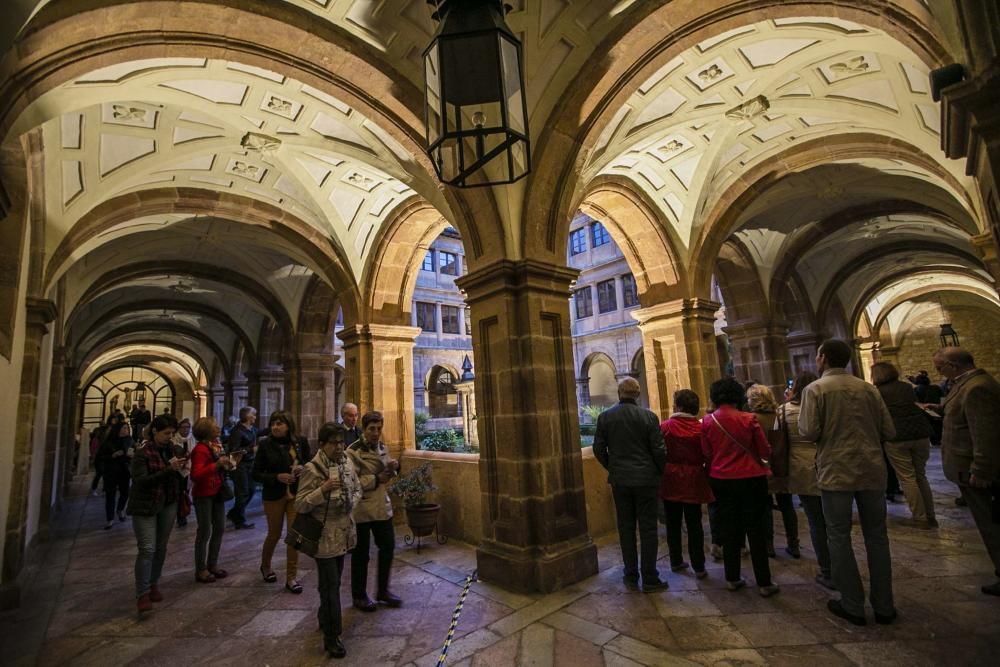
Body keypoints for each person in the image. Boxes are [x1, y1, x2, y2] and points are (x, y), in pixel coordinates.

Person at [799, 339, 896, 626]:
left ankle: (852, 603)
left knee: (838, 536)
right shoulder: (868, 389)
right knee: (877, 537)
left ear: (823, 358)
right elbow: (888, 430)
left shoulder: (815, 389)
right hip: (872, 469)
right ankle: (885, 605)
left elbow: (808, 431)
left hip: (836, 471)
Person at [931, 347, 1000, 596]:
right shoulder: (968, 384)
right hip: (967, 466)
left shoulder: (977, 387)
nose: (938, 372)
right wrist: (940, 410)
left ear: (954, 365)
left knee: (991, 523)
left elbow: (985, 434)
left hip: (976, 469)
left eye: (940, 368)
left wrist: (980, 470)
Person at [701, 378, 778, 597]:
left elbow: (706, 452)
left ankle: (732, 577)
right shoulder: (749, 419)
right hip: (752, 479)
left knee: (729, 528)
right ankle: (764, 582)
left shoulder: (708, 422)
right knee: (756, 529)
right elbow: (764, 449)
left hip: (721, 480)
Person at [594, 377, 668, 592]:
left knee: (625, 528)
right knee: (647, 528)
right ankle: (650, 577)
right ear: (636, 394)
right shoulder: (648, 417)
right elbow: (659, 450)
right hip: (646, 479)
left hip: (621, 480)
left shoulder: (606, 417)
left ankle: (630, 574)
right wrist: (658, 471)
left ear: (619, 393)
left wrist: (613, 467)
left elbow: (599, 449)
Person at [295, 422, 362, 659]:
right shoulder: (312, 469)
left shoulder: (346, 463)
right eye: (334, 443)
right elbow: (300, 504)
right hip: (323, 535)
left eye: (341, 442)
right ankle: (332, 637)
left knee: (332, 582)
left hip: (343, 532)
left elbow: (357, 489)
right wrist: (322, 490)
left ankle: (325, 617)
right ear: (322, 445)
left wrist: (350, 503)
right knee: (331, 586)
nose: (339, 447)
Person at [778, 371, 834, 589]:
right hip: (830, 463)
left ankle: (827, 569)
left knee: (815, 520)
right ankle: (840, 566)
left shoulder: (784, 410)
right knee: (835, 521)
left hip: (801, 466)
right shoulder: (826, 405)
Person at [127, 414, 185, 613]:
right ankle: (142, 593)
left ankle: (153, 583)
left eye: (172, 433)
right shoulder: (142, 453)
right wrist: (169, 470)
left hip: (167, 501)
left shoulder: (171, 449)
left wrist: (182, 468)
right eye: (166, 433)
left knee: (160, 546)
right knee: (148, 548)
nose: (170, 437)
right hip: (145, 504)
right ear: (154, 431)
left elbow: (178, 476)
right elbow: (141, 481)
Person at [871, 361, 937, 528]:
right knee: (920, 475)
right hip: (920, 433)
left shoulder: (877, 393)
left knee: (907, 477)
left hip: (897, 436)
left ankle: (920, 518)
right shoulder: (906, 387)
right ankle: (931, 516)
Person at [347, 411, 402, 610]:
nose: (376, 432)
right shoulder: (352, 451)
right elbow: (350, 482)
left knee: (387, 546)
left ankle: (383, 590)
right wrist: (377, 479)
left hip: (380, 506)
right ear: (364, 428)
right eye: (372, 429)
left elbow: (387, 469)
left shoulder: (382, 447)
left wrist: (395, 467)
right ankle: (359, 595)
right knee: (361, 554)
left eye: (379, 428)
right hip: (362, 508)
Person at [253, 410, 312, 594]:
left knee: (294, 536)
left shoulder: (299, 442)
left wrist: (303, 468)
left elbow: (310, 462)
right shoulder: (265, 445)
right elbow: (255, 473)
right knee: (274, 534)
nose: (275, 427)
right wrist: (276, 477)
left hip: (295, 495)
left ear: (288, 425)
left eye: (279, 423)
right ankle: (265, 565)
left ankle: (291, 577)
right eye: (273, 424)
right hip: (274, 495)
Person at [658, 389, 713, 578]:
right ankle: (699, 565)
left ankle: (676, 561)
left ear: (679, 406)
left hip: (671, 477)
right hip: (694, 477)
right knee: (694, 523)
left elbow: (658, 452)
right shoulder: (701, 428)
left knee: (672, 522)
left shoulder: (665, 427)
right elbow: (708, 453)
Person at [747, 384, 799, 559]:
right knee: (787, 506)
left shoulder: (752, 418)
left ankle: (768, 545)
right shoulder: (780, 415)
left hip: (762, 466)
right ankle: (793, 543)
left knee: (765, 507)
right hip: (780, 464)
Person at [190, 417, 234, 584]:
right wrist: (216, 466)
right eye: (215, 426)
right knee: (204, 531)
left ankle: (212, 564)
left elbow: (220, 465)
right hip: (204, 493)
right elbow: (196, 475)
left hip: (217, 491)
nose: (218, 427)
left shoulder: (216, 444)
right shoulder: (200, 449)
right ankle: (200, 569)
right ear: (206, 430)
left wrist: (228, 464)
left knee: (220, 528)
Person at [97, 421, 134, 529]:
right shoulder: (109, 442)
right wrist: (113, 455)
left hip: (124, 470)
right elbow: (100, 457)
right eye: (123, 428)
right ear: (117, 429)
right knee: (110, 494)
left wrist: (132, 455)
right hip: (111, 471)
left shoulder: (130, 441)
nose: (125, 430)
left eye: (127, 428)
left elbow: (134, 451)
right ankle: (110, 519)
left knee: (125, 492)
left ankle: (120, 509)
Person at [226, 406, 258, 529]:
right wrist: (251, 449)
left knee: (251, 490)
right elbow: (234, 451)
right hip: (240, 466)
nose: (255, 417)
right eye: (254, 415)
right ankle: (239, 520)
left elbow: (262, 431)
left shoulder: (251, 429)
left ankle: (234, 513)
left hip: (249, 465)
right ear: (248, 417)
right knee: (243, 492)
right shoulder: (237, 431)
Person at [173, 418, 197, 527]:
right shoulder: (174, 439)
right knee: (178, 492)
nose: (186, 430)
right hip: (177, 470)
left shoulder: (192, 439)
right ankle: (179, 515)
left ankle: (183, 513)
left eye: (188, 427)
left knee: (186, 492)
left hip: (189, 469)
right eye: (183, 427)